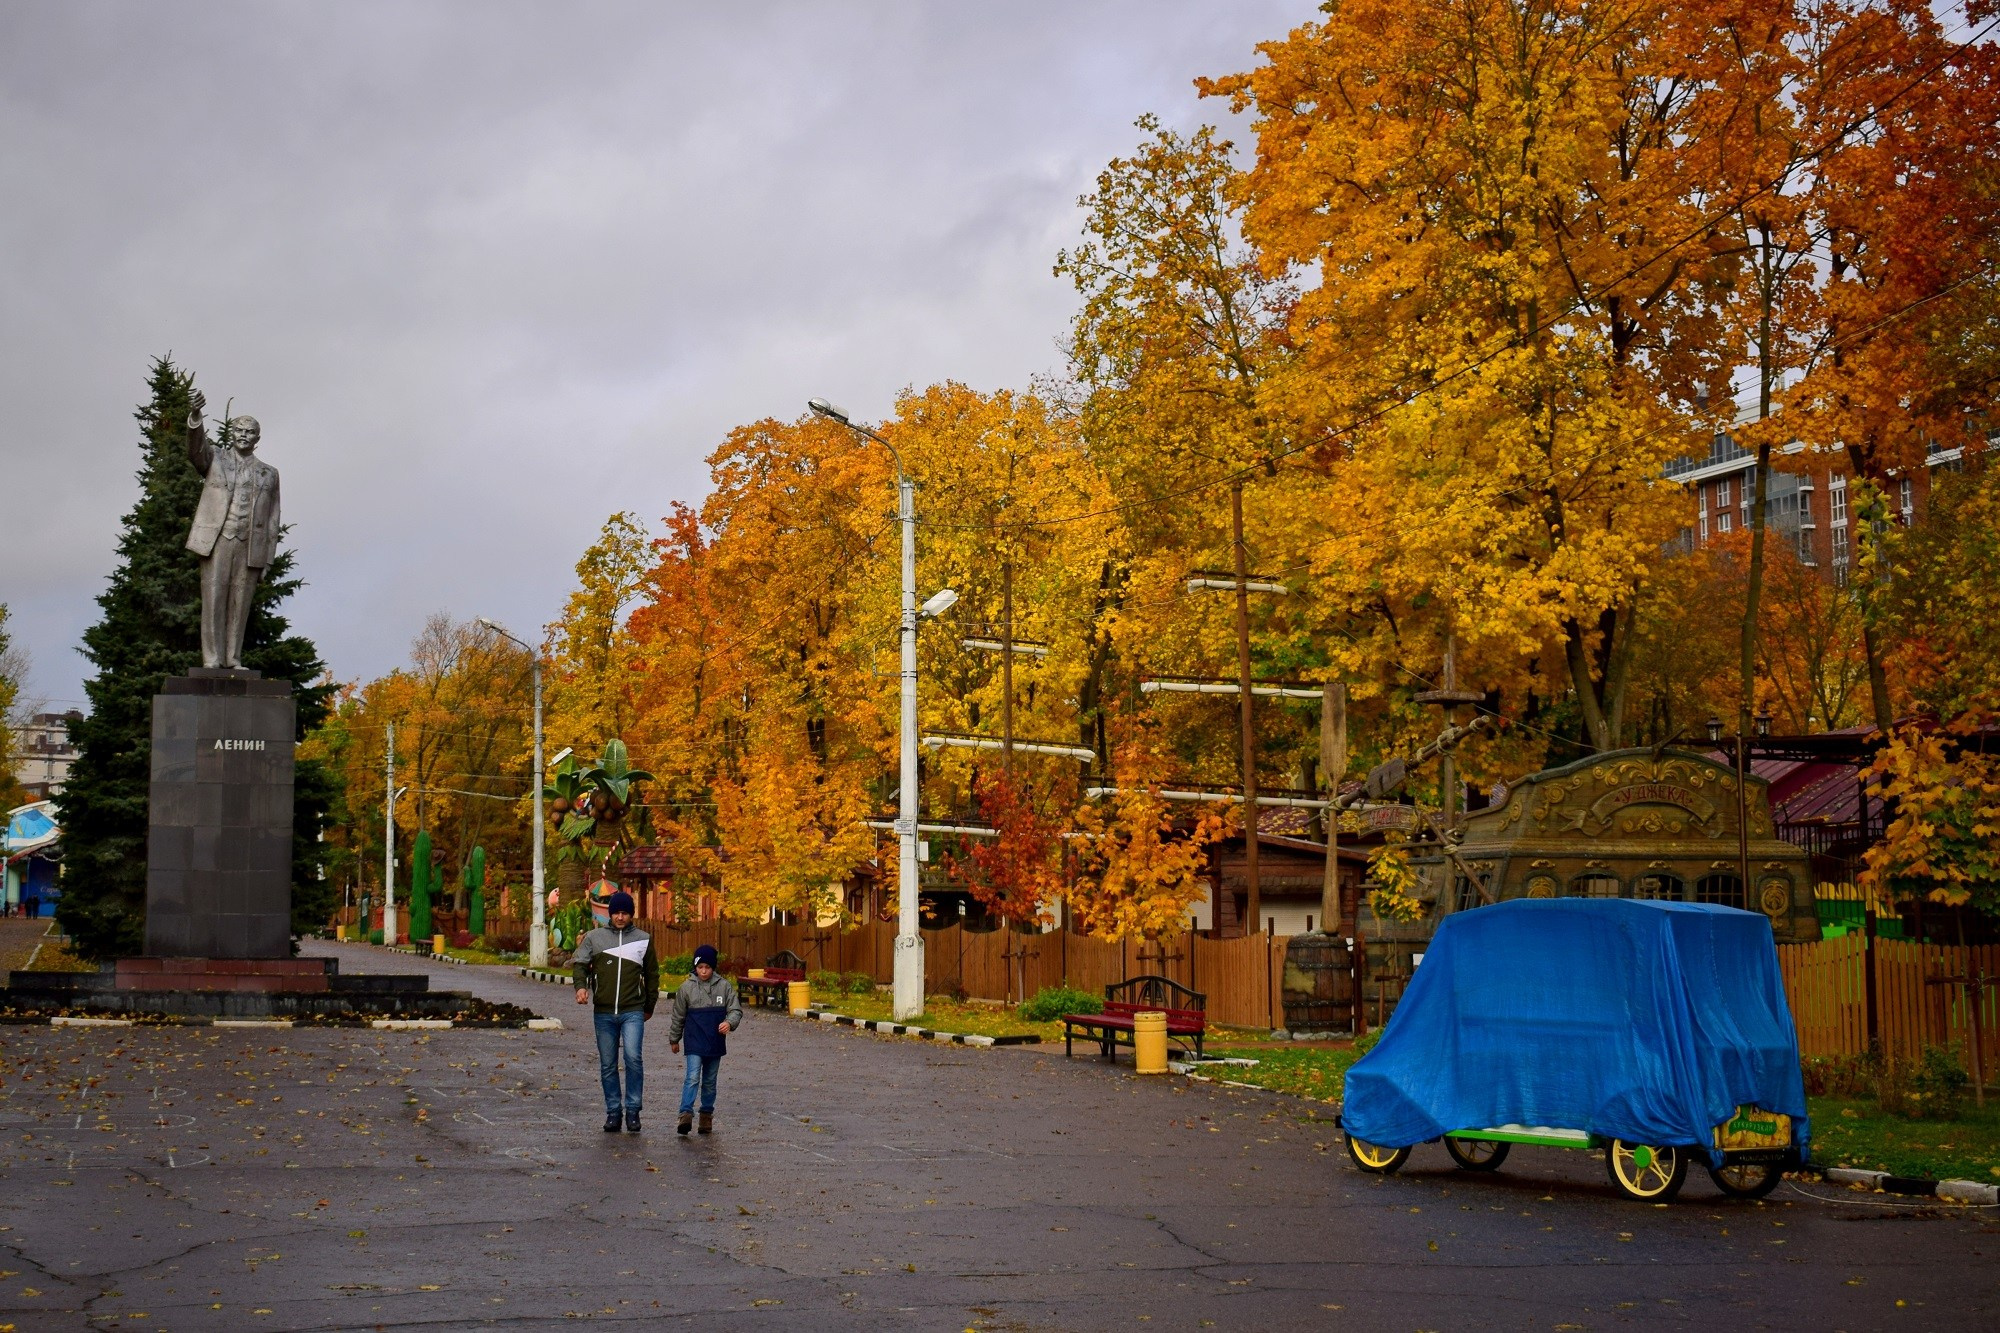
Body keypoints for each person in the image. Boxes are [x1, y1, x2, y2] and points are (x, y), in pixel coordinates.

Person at [183, 390, 281, 671]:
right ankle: (212, 659)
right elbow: (195, 451)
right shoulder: (214, 459)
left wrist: (269, 558)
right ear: (231, 433)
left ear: (257, 439)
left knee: (240, 605)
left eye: (250, 432)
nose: (244, 435)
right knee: (214, 600)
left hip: (251, 545)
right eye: (239, 430)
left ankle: (233, 659)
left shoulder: (269, 473)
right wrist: (195, 417)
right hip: (218, 540)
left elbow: (273, 517)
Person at [572, 890, 658, 1133]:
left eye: (625, 913)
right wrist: (581, 988)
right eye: (617, 912)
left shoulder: (643, 939)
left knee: (633, 1058)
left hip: (633, 1010)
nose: (621, 917)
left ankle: (633, 1111)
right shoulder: (594, 938)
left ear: (631, 915)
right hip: (604, 1012)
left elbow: (652, 975)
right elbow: (580, 965)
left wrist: (648, 1006)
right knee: (608, 1064)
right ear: (610, 914)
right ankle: (613, 1113)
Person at [668, 944, 743, 1135]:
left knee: (709, 1080)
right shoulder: (686, 988)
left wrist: (729, 1022)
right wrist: (674, 1039)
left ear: (713, 968)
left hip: (715, 1042)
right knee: (692, 1077)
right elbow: (678, 1016)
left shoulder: (724, 986)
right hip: (694, 1041)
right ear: (695, 967)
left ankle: (706, 1115)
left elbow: (735, 1010)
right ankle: (685, 1113)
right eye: (700, 967)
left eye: (707, 967)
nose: (703, 971)